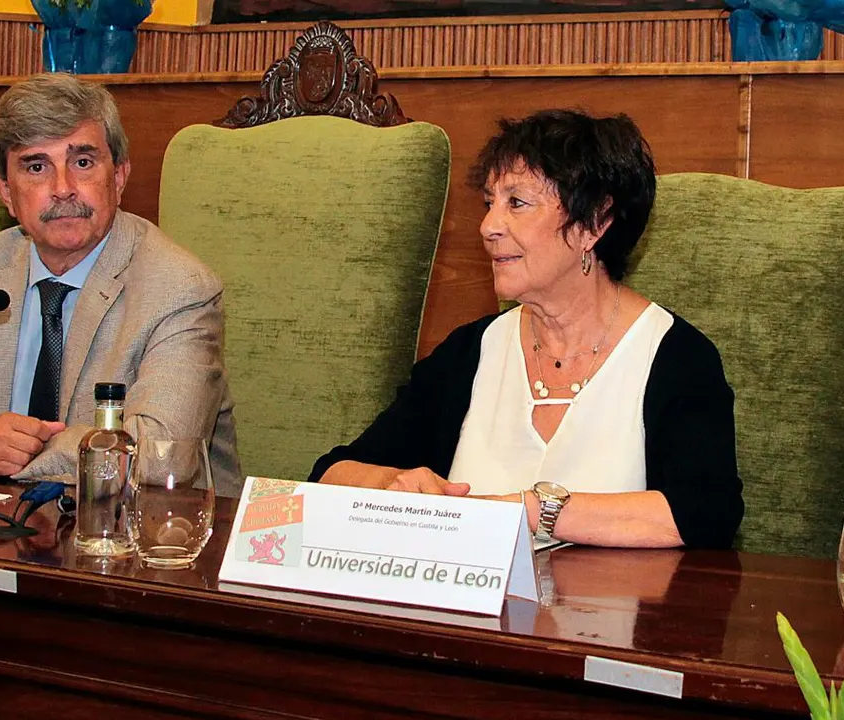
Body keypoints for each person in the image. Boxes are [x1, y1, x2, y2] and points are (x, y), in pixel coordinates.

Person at [311, 110, 742, 548]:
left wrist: (534, 511)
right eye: (489, 203)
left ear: (595, 221)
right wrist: (396, 486)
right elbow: (331, 473)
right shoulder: (470, 353)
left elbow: (704, 513)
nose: (487, 226)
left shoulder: (675, 358)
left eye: (516, 203)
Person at [0, 73, 240, 488]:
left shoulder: (178, 288)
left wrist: (11, 453)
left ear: (120, 176)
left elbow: (161, 453)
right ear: (5, 191)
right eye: (36, 167)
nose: (63, 189)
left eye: (83, 162)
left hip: (150, 540)